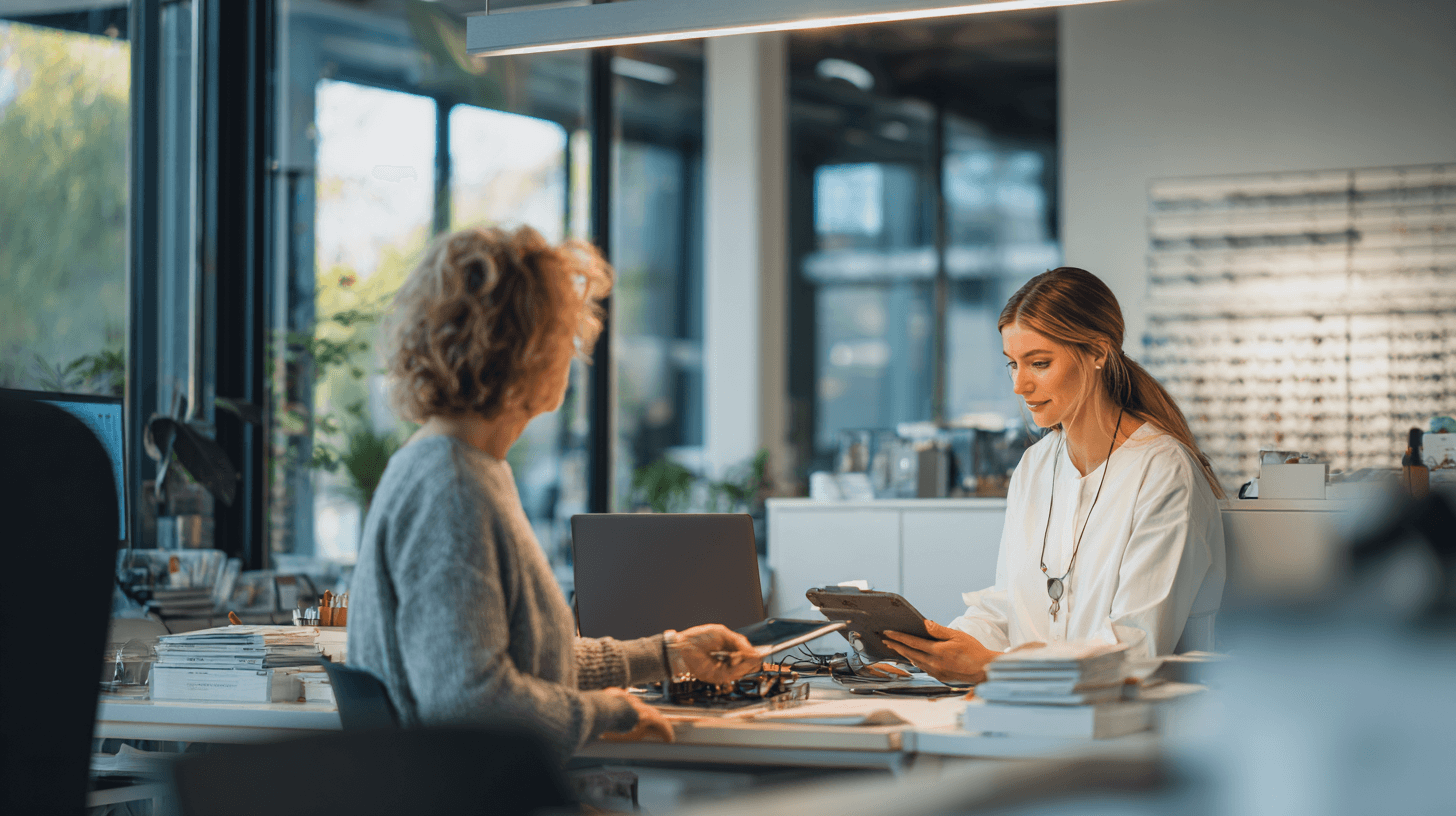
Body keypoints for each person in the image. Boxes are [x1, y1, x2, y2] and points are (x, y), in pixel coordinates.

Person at [348, 226, 760, 756]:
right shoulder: (451, 489)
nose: (575, 354)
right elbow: (467, 703)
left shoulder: (463, 467)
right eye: (566, 337)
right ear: (527, 351)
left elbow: (531, 660)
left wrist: (670, 653)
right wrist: (608, 712)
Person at [883, 267, 1226, 684]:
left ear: (1097, 352)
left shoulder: (1162, 470)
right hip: (1030, 704)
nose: (1019, 385)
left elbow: (1136, 646)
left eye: (1039, 363)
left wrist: (991, 666)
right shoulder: (1035, 466)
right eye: (1013, 364)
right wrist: (920, 655)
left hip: (1128, 716)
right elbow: (1008, 606)